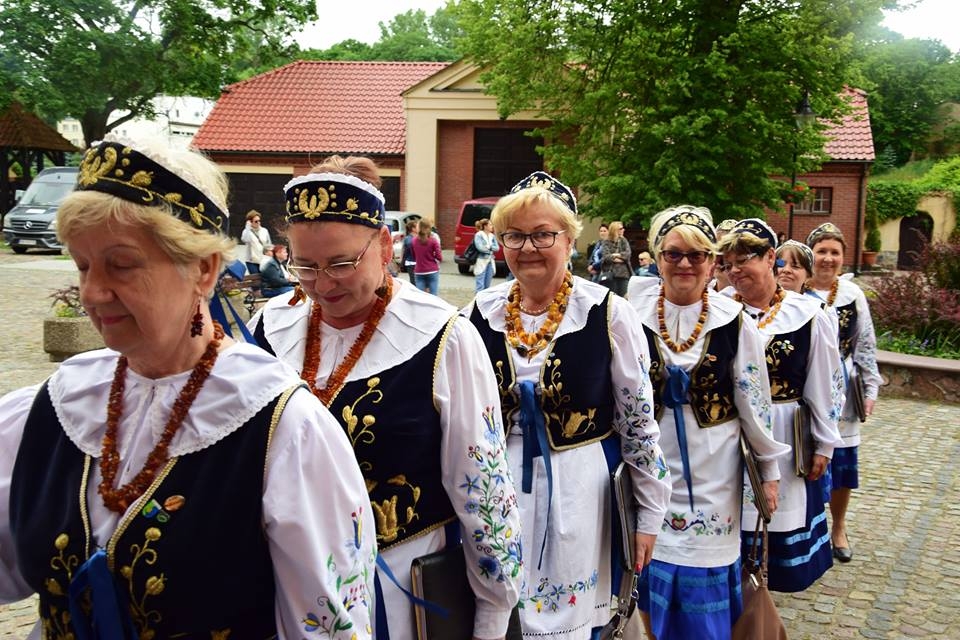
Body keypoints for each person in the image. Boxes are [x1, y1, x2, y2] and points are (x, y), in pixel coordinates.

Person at [0, 135, 377, 638]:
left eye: (121, 264)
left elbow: (327, 627)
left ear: (203, 269)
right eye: (83, 265)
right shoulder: (56, 406)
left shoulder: (282, 427)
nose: (92, 292)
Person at [248, 155, 523, 640]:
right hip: (283, 590)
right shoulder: (269, 328)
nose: (322, 285)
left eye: (341, 264)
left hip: (399, 595)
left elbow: (483, 490)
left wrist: (492, 614)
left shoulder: (443, 337)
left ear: (382, 243)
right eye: (305, 266)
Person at [465, 171, 671, 639]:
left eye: (543, 234)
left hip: (580, 490)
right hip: (497, 490)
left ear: (570, 240)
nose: (528, 247)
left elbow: (638, 423)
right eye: (514, 235)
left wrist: (648, 515)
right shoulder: (477, 313)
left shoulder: (608, 313)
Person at [626, 205, 790, 640]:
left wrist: (769, 474)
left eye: (696, 255)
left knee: (703, 579)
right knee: (644, 570)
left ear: (712, 262)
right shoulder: (629, 316)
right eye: (673, 254)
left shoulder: (735, 323)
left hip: (714, 470)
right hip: (649, 465)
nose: (685, 264)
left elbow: (756, 405)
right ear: (657, 257)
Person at [718, 219, 845, 592]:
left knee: (775, 521)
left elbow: (825, 382)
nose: (735, 271)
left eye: (744, 260)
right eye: (728, 263)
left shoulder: (807, 314)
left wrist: (824, 442)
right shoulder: (719, 309)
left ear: (770, 256)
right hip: (728, 434)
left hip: (784, 429)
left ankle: (763, 599)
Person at [805, 222, 882, 563]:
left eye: (834, 252)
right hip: (804, 388)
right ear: (810, 255)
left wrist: (870, 386)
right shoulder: (795, 291)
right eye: (821, 251)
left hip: (843, 391)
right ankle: (808, 529)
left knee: (841, 464)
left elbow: (866, 343)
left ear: (843, 256)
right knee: (806, 460)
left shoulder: (852, 295)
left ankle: (838, 527)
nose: (828, 258)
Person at [411, 216, 442, 296]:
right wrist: (433, 257)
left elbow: (414, 256)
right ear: (429, 228)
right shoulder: (433, 241)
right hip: (432, 270)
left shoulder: (414, 241)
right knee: (433, 295)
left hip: (419, 271)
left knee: (420, 296)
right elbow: (439, 257)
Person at [599, 221, 632, 296]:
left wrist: (615, 255)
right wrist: (621, 258)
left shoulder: (624, 241)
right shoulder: (606, 242)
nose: (623, 230)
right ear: (615, 230)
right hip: (611, 274)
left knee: (624, 297)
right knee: (612, 297)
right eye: (621, 228)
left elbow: (628, 254)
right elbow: (606, 257)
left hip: (624, 274)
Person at [241, 208, 271, 274]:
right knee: (255, 278)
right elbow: (245, 240)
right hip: (251, 261)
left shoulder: (264, 231)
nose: (258, 223)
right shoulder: (246, 231)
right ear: (250, 222)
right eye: (256, 221)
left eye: (259, 221)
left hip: (263, 260)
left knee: (264, 278)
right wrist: (247, 227)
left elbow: (269, 244)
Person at [473, 218, 500, 292]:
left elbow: (497, 248)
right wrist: (491, 249)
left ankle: (485, 298)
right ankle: (478, 299)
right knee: (480, 285)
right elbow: (480, 248)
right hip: (481, 260)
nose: (492, 226)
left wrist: (489, 247)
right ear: (485, 226)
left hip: (490, 261)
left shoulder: (492, 236)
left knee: (487, 285)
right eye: (490, 225)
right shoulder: (479, 235)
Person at [401, 218, 418, 284]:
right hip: (411, 263)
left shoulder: (418, 237)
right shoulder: (409, 239)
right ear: (413, 229)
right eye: (417, 226)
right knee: (414, 282)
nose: (419, 228)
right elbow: (405, 252)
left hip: (418, 263)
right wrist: (402, 263)